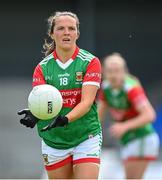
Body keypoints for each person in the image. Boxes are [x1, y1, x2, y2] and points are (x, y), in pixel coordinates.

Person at [18, 11, 102, 179]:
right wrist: (35, 114)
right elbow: (42, 101)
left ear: (77, 34)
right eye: (61, 28)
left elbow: (86, 103)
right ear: (52, 33)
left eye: (71, 28)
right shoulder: (42, 68)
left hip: (85, 136)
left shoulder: (90, 62)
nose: (66, 32)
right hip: (54, 140)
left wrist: (65, 119)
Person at [98, 53, 159, 179]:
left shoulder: (130, 88)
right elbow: (98, 115)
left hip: (142, 137)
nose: (113, 75)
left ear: (124, 71)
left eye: (117, 71)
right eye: (110, 71)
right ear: (104, 72)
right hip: (128, 139)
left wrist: (124, 126)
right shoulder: (106, 87)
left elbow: (150, 115)